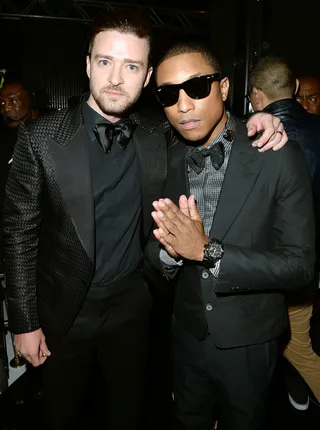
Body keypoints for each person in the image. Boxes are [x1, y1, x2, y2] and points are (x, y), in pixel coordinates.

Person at [3, 11, 288, 430]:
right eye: (105, 62)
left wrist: (259, 120)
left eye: (131, 66)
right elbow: (18, 235)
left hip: (133, 309)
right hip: (64, 312)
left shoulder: (157, 133)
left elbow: (209, 123)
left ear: (147, 75)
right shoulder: (40, 138)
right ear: (86, 65)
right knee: (62, 414)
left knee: (131, 411)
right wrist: (24, 323)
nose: (116, 78)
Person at [146, 42, 315, 430]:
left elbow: (301, 266)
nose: (183, 105)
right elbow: (148, 249)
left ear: (223, 88)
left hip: (250, 342)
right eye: (169, 94)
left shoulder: (275, 152)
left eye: (197, 88)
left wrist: (209, 252)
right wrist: (170, 253)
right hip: (186, 335)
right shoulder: (164, 158)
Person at [249, 55, 320, 410]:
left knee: (288, 347)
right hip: (306, 264)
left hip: (263, 268)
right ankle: (294, 392)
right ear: (293, 89)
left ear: (256, 97)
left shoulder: (251, 138)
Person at [0, 77, 36, 274]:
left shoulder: (45, 134)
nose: (6, 108)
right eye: (2, 103)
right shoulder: (4, 140)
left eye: (13, 101)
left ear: (30, 99)